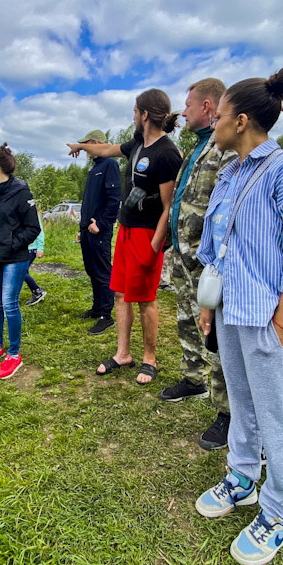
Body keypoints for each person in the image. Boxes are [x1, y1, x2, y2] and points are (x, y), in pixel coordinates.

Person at [194, 68, 283, 565]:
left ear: (241, 120)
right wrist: (210, 309)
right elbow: (214, 249)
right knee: (242, 399)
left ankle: (280, 510)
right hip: (229, 309)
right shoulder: (229, 173)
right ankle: (243, 477)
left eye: (221, 115)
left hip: (270, 315)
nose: (215, 123)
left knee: (277, 413)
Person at [67, 89, 181, 384]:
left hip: (147, 235)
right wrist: (81, 146)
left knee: (145, 299)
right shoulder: (137, 144)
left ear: (145, 115)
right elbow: (106, 149)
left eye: (134, 111)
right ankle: (123, 354)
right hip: (126, 231)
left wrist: (156, 246)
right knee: (120, 293)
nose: (132, 116)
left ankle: (149, 359)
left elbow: (168, 208)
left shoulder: (166, 153)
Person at [156, 78, 238, 451]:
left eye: (188, 105)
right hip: (184, 254)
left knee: (215, 332)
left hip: (208, 260)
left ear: (207, 106)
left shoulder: (227, 148)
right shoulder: (199, 147)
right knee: (187, 319)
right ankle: (193, 377)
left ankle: (227, 411)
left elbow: (227, 208)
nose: (182, 111)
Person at [0, 143, 41, 380]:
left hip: (14, 257)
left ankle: (14, 355)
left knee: (9, 303)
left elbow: (33, 228)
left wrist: (11, 243)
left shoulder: (21, 192)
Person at [74, 129, 121, 335]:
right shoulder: (95, 168)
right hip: (87, 231)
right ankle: (96, 308)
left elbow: (114, 200)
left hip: (99, 231)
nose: (85, 149)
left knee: (102, 272)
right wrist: (82, 228)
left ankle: (106, 316)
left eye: (86, 145)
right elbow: (90, 203)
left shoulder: (110, 164)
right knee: (91, 270)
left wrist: (101, 224)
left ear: (95, 143)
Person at [23, 212, 47, 305]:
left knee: (22, 272)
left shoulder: (32, 214)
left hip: (32, 248)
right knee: (24, 271)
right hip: (22, 248)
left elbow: (39, 231)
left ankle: (37, 291)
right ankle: (35, 291)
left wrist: (40, 248)